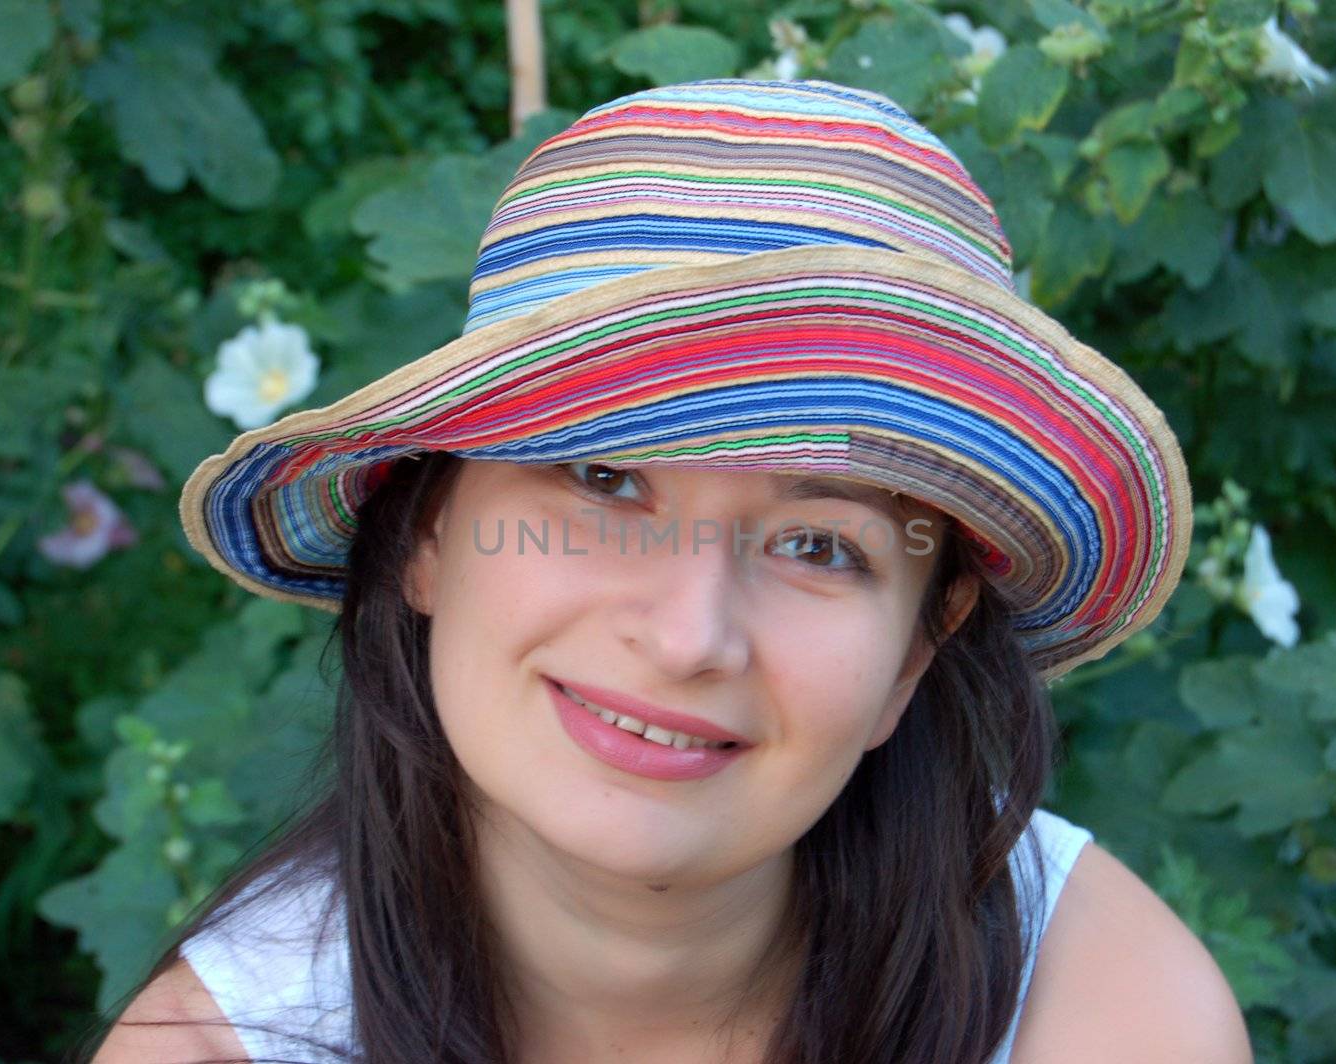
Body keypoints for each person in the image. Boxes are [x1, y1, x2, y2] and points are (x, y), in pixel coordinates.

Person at [86, 79, 1250, 1063]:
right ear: (428, 529)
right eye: (601, 479)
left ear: (914, 651)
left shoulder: (1103, 1011)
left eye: (816, 546)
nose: (690, 632)